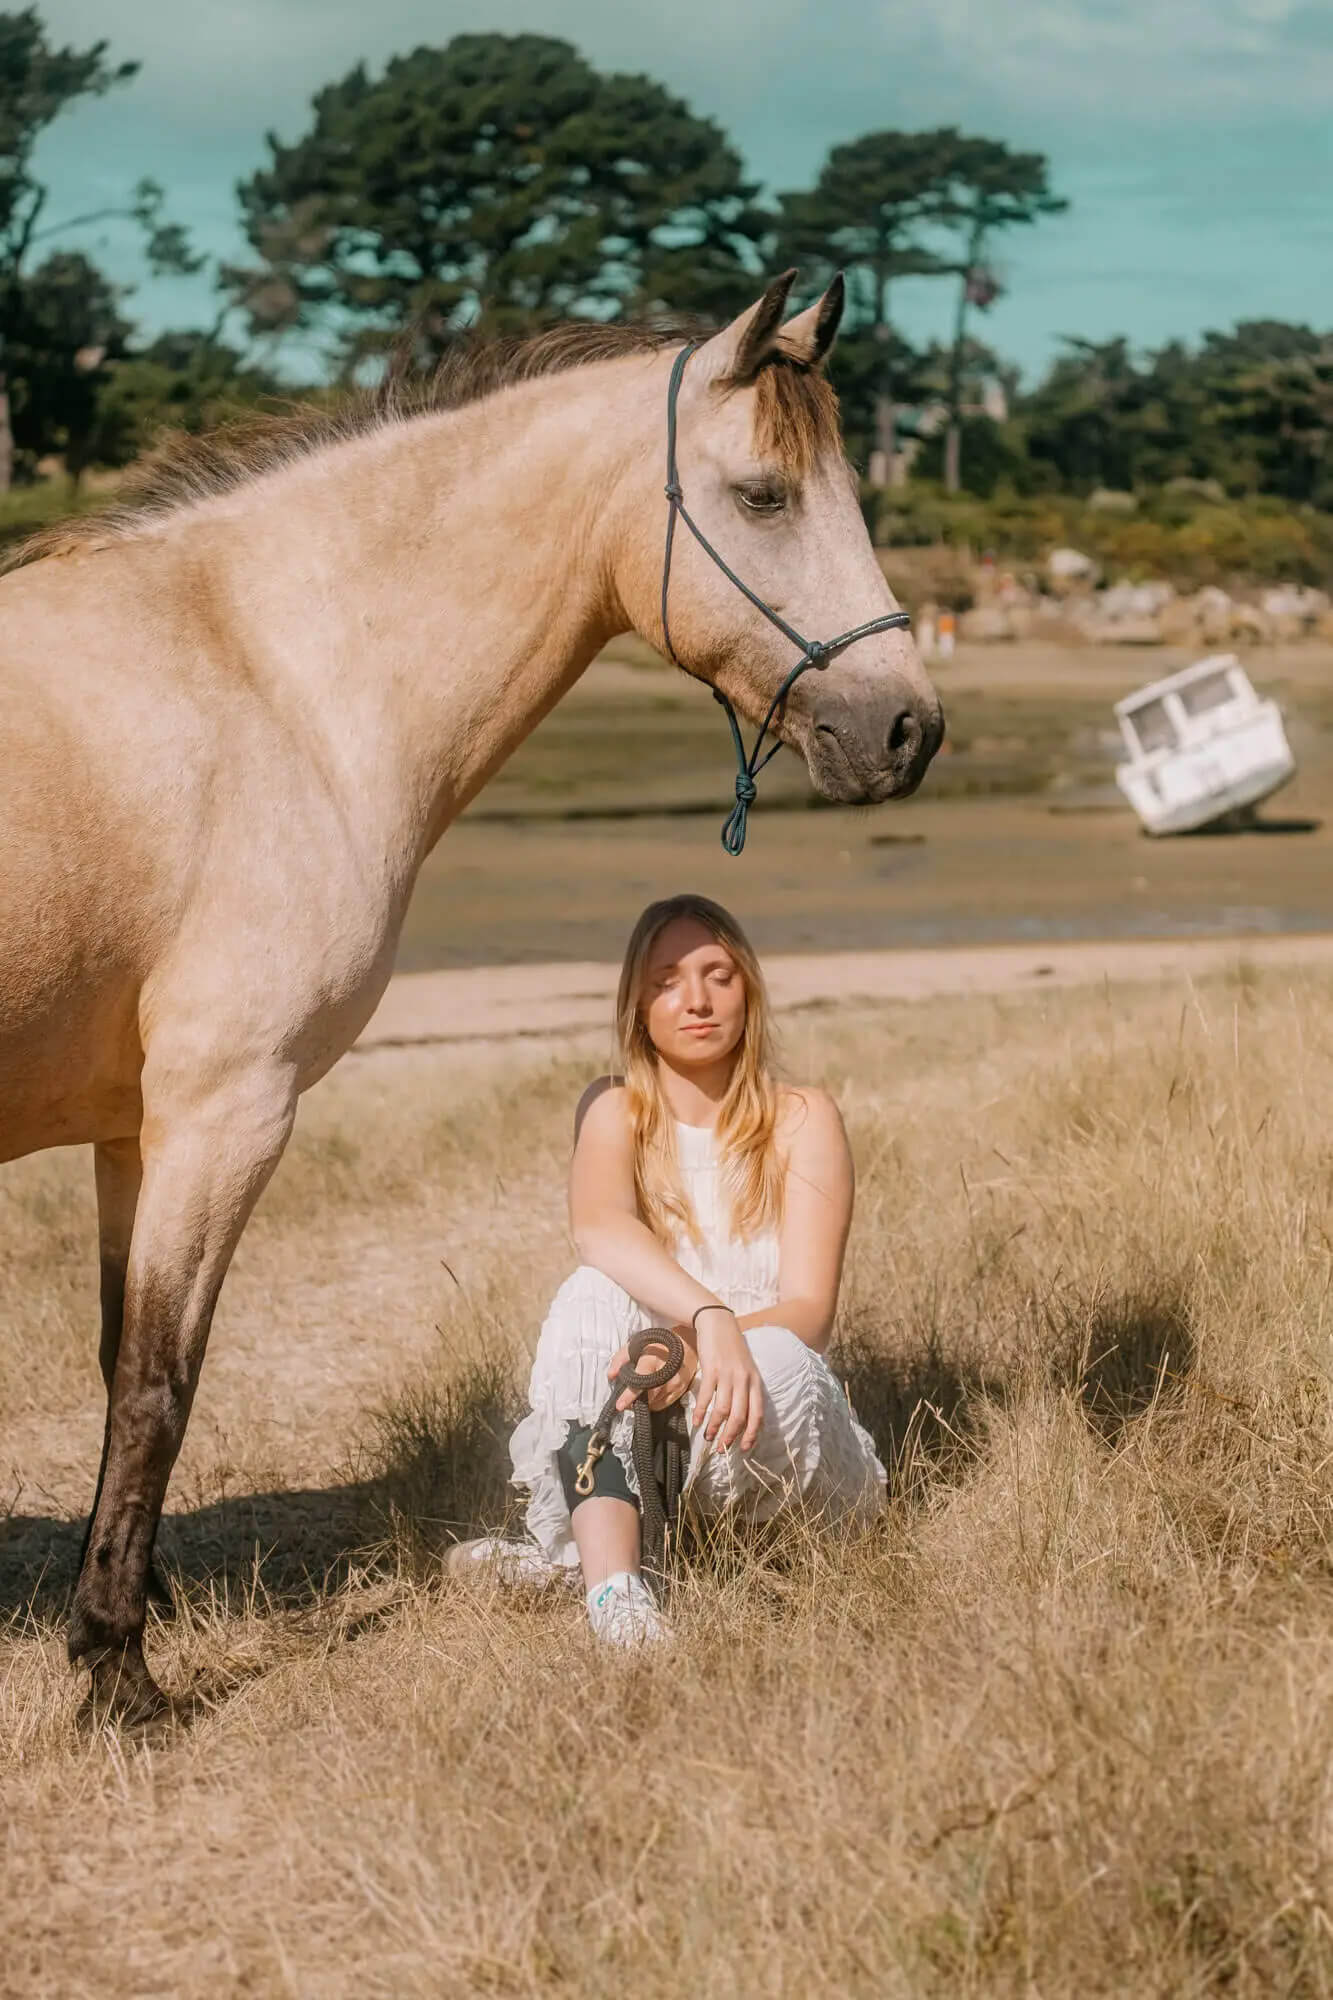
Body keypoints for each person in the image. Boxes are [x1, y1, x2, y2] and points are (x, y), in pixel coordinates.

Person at [454, 892, 886, 1645]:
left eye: (718, 975)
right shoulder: (614, 1110)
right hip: (644, 1411)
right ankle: (617, 1595)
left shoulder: (802, 1117)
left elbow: (810, 1310)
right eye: (667, 980)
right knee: (591, 1293)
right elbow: (599, 1228)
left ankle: (589, 1557)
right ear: (637, 1005)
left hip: (767, 1420)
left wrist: (707, 1345)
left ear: (748, 989)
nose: (695, 1000)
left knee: (779, 1352)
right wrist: (706, 1319)